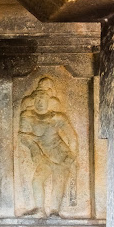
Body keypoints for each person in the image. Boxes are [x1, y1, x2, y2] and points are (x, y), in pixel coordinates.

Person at [19, 77, 78, 217]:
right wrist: (33, 149)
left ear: (49, 100)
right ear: (33, 100)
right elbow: (24, 136)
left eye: (43, 98)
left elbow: (72, 137)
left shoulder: (58, 117)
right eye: (37, 98)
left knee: (59, 182)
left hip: (61, 154)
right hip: (44, 154)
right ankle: (40, 209)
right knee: (37, 180)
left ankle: (55, 212)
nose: (40, 102)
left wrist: (71, 157)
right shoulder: (27, 115)